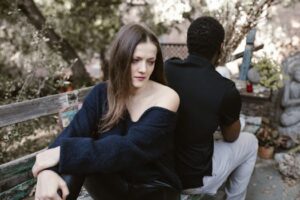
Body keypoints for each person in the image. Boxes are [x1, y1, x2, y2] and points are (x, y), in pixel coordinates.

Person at [32, 23, 181, 200]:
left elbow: (131, 148)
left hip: (154, 190)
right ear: (121, 58)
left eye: (150, 62)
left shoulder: (167, 97)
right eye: (135, 60)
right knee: (73, 159)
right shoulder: (102, 93)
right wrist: (46, 172)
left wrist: (62, 154)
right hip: (113, 186)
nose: (144, 69)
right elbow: (72, 134)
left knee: (75, 155)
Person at [164, 16, 258, 200]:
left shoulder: (168, 68)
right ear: (221, 48)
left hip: (163, 170)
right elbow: (232, 137)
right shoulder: (225, 88)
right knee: (251, 142)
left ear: (188, 43)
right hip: (194, 179)